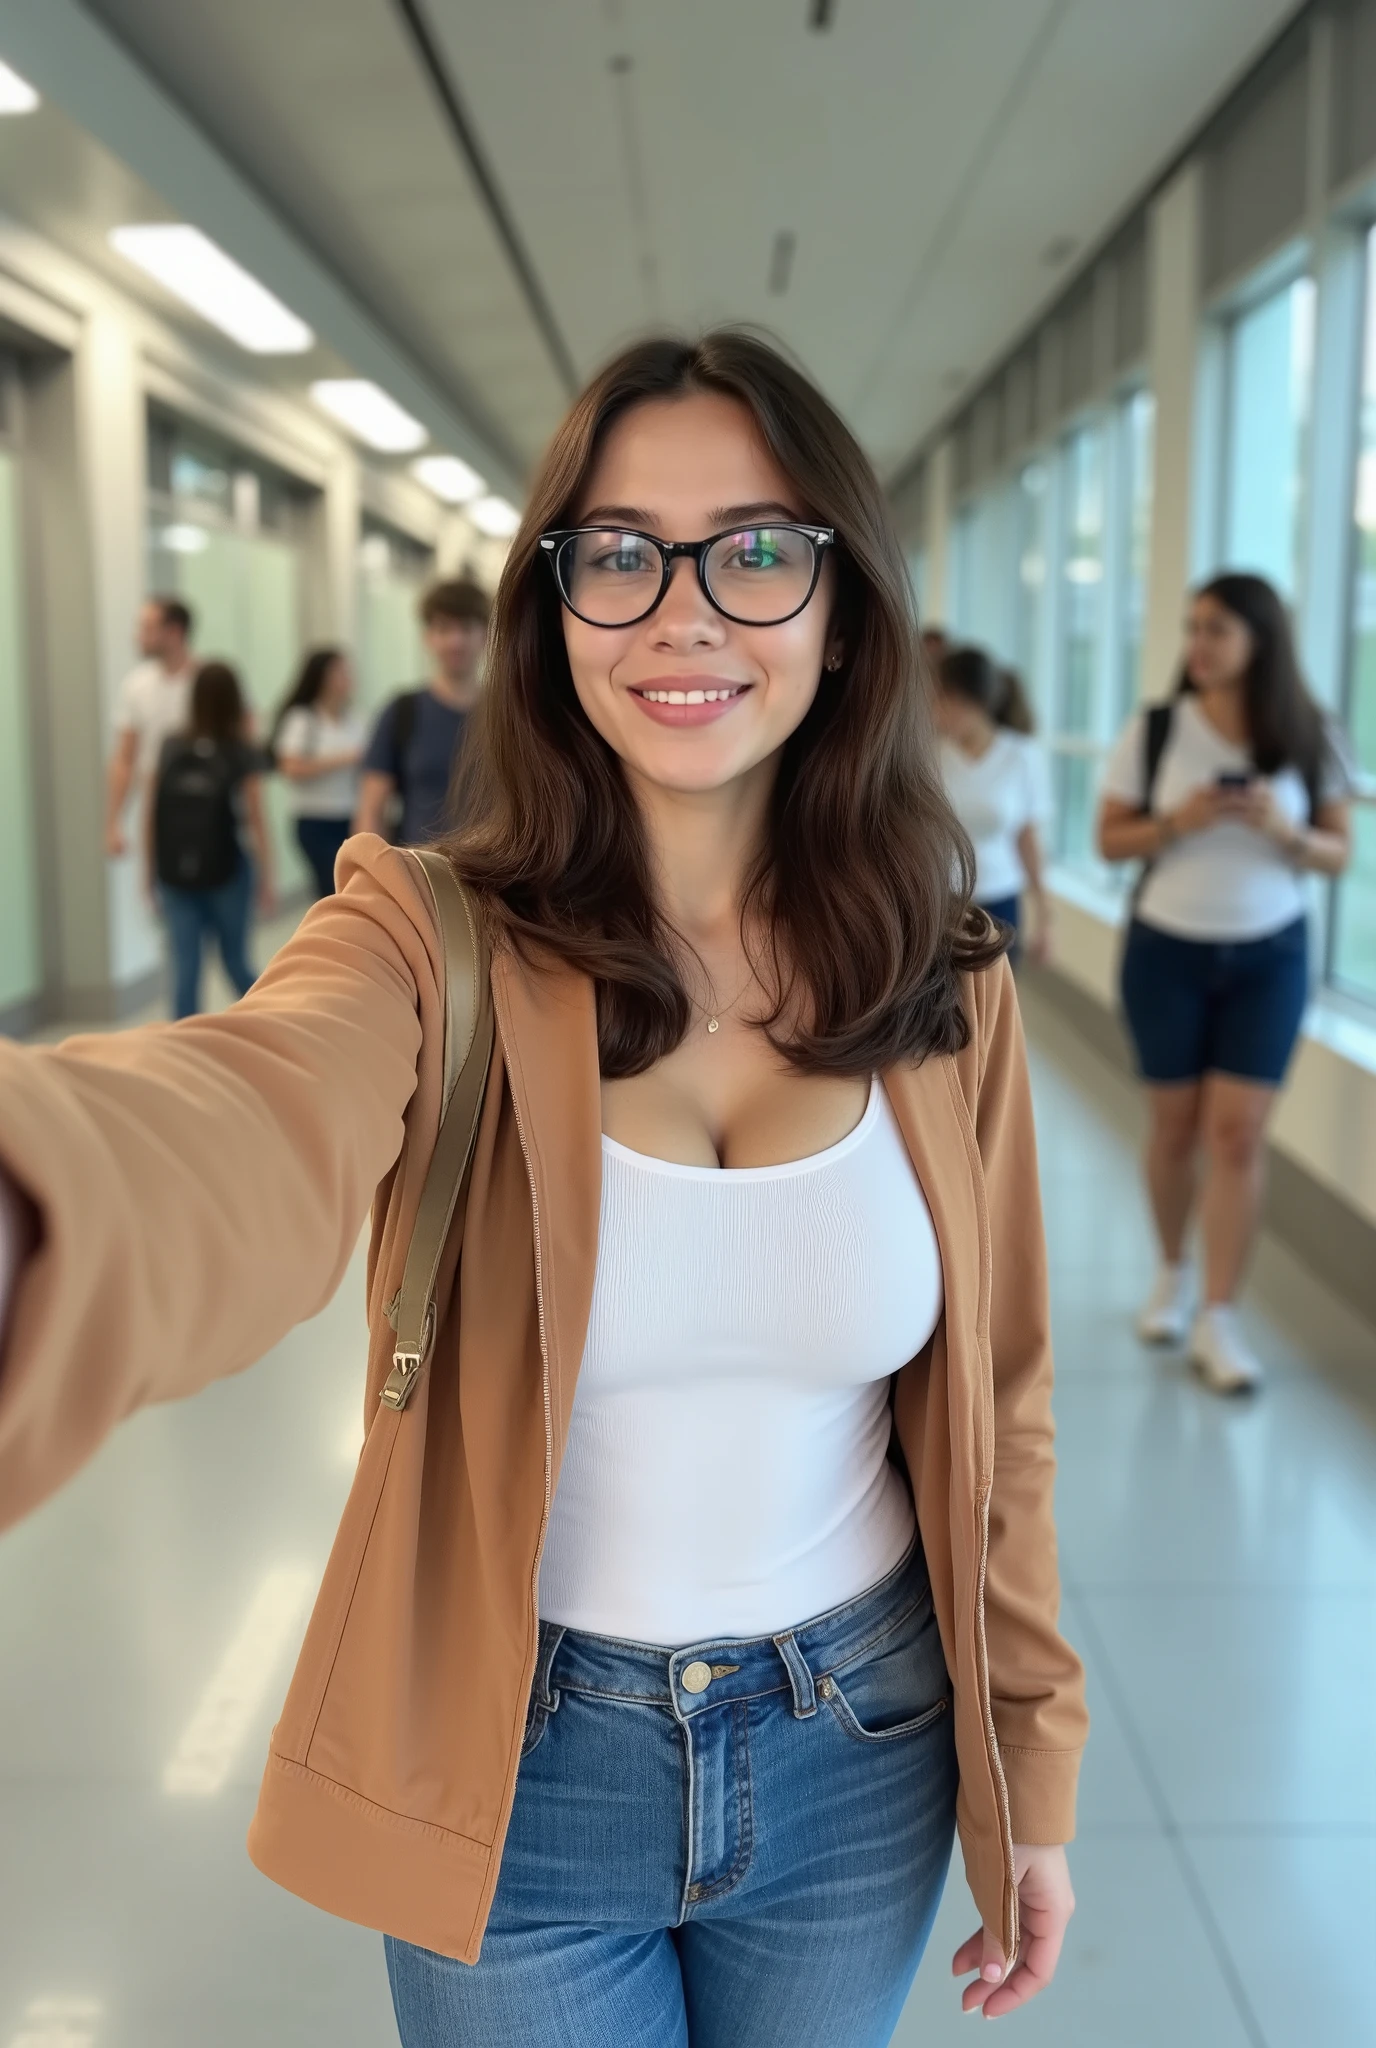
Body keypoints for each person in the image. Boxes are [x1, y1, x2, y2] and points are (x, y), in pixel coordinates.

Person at [0, 332, 1085, 2044]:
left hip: (860, 1745)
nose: (683, 612)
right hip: (512, 1758)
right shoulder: (424, 940)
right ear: (552, 609)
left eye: (754, 550)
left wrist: (1031, 1761)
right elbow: (247, 1115)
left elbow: (1003, 1400)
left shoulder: (945, 979)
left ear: (844, 610)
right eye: (619, 552)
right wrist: (39, 1201)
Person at [1096, 572, 1351, 1394]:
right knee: (1175, 1131)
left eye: (1217, 630)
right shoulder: (1157, 728)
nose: (1197, 645)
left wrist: (1285, 831)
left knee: (1238, 1137)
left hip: (1271, 955)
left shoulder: (1311, 732)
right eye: (1192, 628)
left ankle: (1219, 1316)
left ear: (1260, 641)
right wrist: (1181, 821)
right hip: (1165, 949)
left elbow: (1339, 852)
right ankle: (1171, 1273)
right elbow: (1108, 840)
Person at [151, 660, 274, 1019]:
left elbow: (152, 812)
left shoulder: (172, 745)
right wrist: (266, 876)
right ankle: (270, 1027)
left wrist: (150, 871)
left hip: (175, 870)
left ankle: (182, 1048)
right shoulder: (240, 749)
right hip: (228, 870)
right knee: (236, 962)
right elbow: (256, 818)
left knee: (185, 970)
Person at [935, 644, 1052, 964]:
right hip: (943, 902)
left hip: (1001, 901)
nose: (936, 710)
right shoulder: (931, 754)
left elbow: (1027, 837)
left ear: (973, 702)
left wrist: (1045, 915)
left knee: (998, 991)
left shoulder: (1022, 755)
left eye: (945, 699)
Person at [353, 577, 490, 845]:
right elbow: (371, 811)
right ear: (428, 637)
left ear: (485, 636)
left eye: (466, 628)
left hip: (498, 868)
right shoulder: (402, 712)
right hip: (418, 867)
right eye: (444, 629)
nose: (455, 641)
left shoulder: (512, 716)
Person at [104, 597, 197, 859]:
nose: (138, 636)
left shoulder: (209, 680)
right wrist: (114, 822)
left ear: (174, 631)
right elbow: (125, 758)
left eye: (147, 627)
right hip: (160, 806)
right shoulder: (137, 686)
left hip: (211, 806)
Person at [271, 647, 366, 897]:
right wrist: (345, 759)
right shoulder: (303, 719)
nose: (347, 678)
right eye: (340, 672)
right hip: (315, 819)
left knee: (354, 887)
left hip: (349, 814)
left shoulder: (354, 719)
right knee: (332, 888)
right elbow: (290, 767)